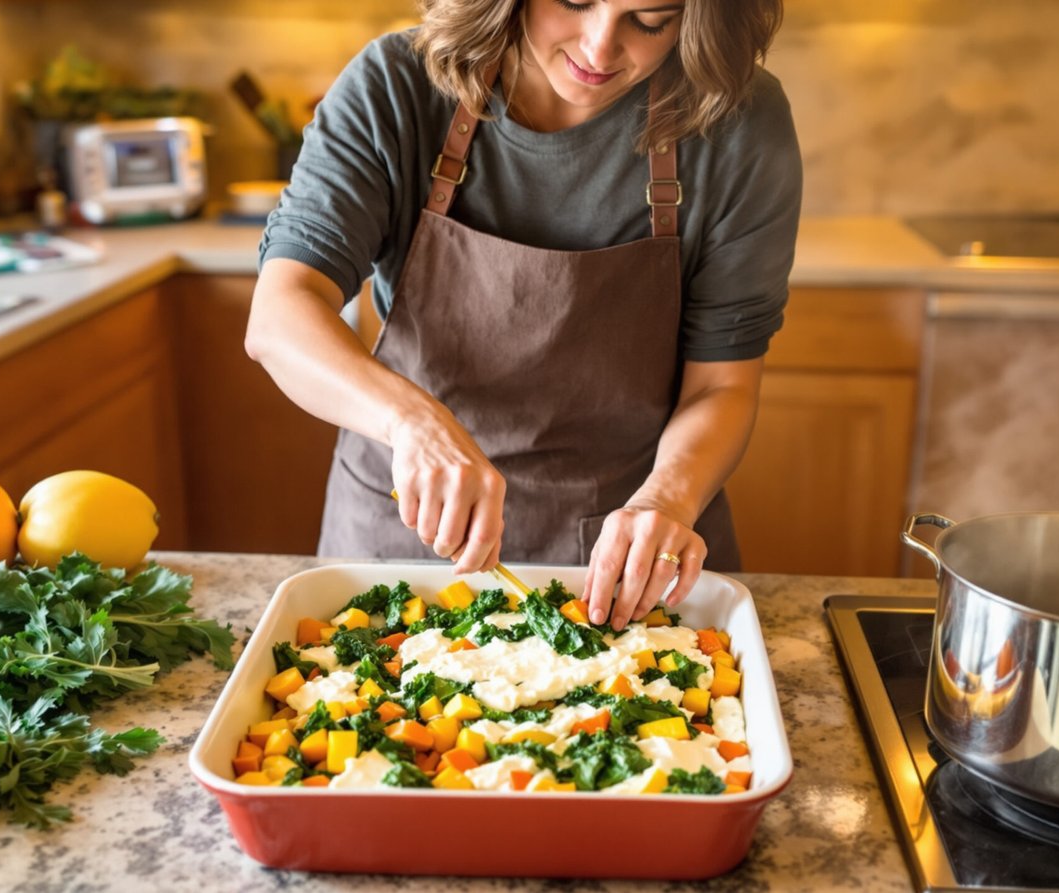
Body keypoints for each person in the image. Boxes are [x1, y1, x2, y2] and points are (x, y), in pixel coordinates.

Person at [245, 0, 801, 631]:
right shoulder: (398, 84)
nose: (598, 49)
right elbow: (281, 313)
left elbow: (722, 385)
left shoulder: (735, 119)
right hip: (405, 543)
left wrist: (668, 499)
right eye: (573, 2)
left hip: (626, 565)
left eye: (649, 21)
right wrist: (412, 424)